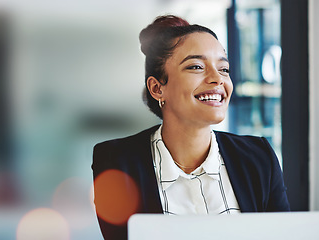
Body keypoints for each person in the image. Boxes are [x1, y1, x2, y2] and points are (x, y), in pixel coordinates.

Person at [91, 15, 290, 240]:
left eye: (224, 69)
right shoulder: (117, 162)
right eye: (196, 66)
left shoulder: (258, 157)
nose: (217, 79)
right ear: (157, 88)